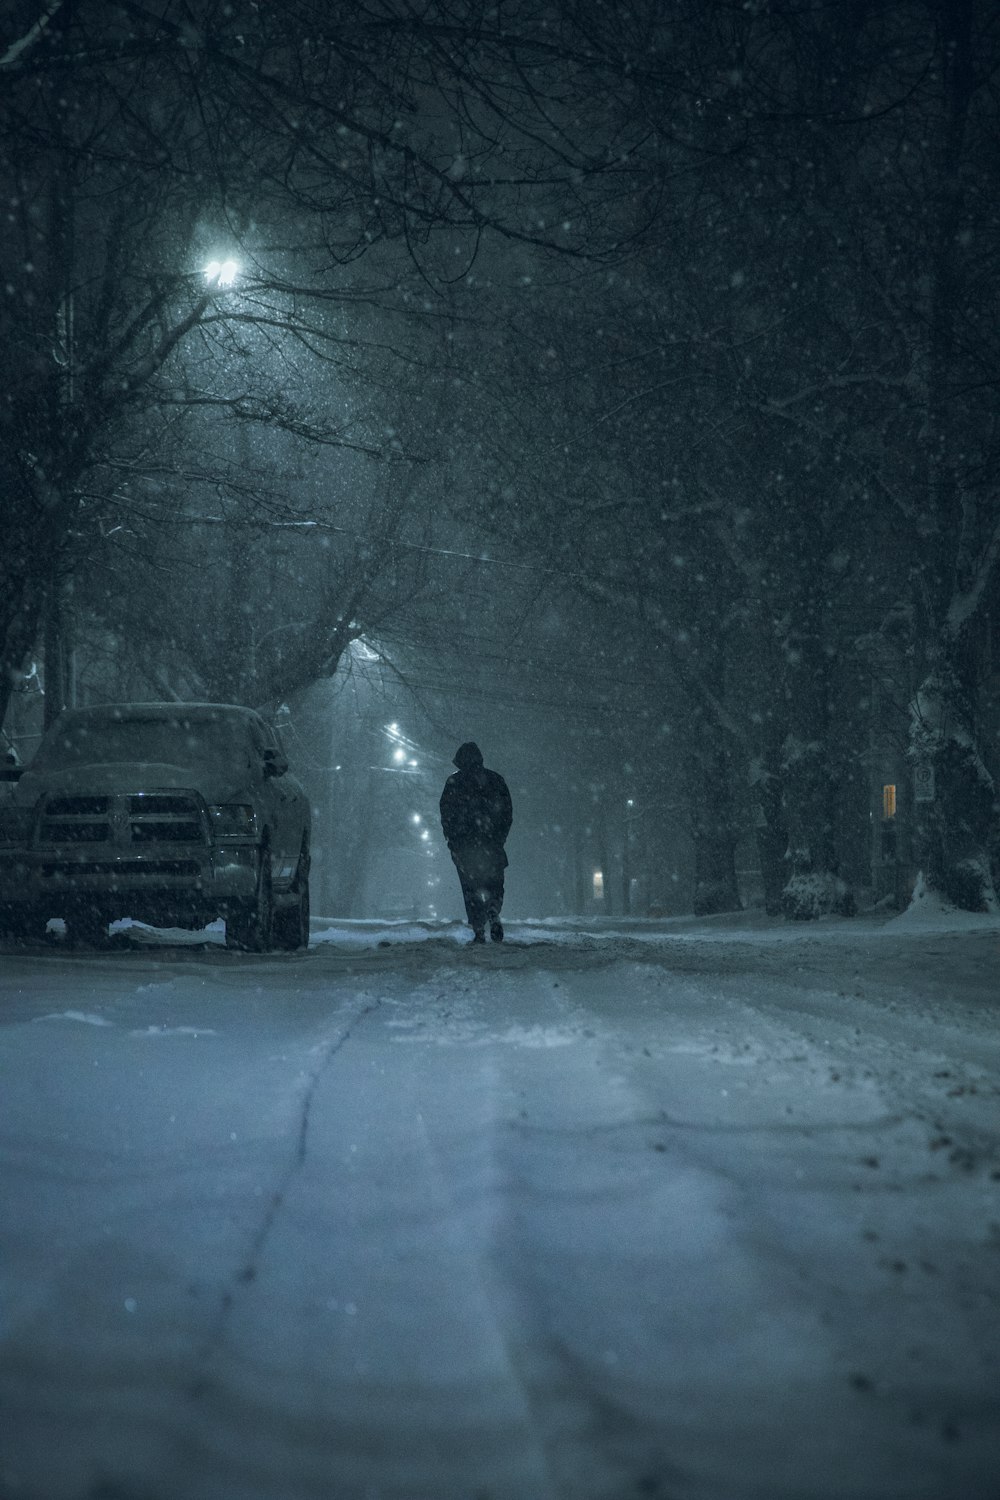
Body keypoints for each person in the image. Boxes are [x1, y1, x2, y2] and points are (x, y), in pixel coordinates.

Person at [439, 741, 512, 943]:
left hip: (466, 846)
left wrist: (453, 841)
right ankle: (493, 908)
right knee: (495, 883)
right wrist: (499, 838)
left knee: (470, 886)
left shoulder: (454, 782)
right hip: (491, 844)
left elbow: (446, 815)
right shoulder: (496, 780)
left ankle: (478, 929)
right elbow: (507, 813)